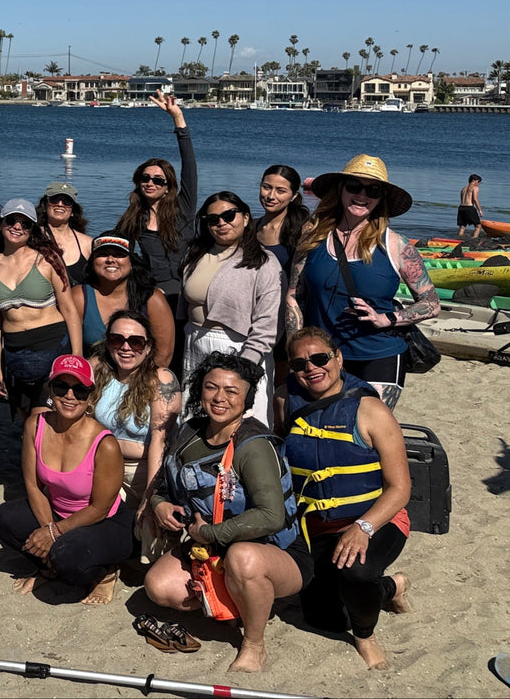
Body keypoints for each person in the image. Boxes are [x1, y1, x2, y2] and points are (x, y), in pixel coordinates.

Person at [145, 353, 309, 674]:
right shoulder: (190, 431)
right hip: (212, 547)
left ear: (247, 398)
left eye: (232, 391)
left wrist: (208, 534)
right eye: (211, 387)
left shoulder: (254, 446)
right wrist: (159, 504)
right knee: (159, 585)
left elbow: (271, 517)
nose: (220, 398)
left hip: (275, 553)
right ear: (199, 390)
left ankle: (253, 643)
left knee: (243, 560)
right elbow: (166, 485)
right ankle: (239, 602)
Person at [277, 328, 413, 670]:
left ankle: (366, 637)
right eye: (299, 363)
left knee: (355, 573)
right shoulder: (284, 400)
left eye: (320, 358)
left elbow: (400, 487)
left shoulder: (370, 410)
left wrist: (363, 527)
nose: (311, 368)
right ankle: (391, 587)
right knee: (324, 619)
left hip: (378, 518)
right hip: (317, 526)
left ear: (338, 358)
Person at [285, 155, 440, 409]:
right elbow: (294, 295)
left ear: (381, 199)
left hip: (378, 354)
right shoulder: (313, 235)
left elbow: (432, 303)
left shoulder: (396, 246)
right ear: (341, 189)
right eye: (354, 186)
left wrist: (387, 318)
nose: (362, 195)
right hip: (321, 357)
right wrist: (297, 348)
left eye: (373, 190)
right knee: (319, 429)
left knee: (362, 434)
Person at [0, 355, 130, 605]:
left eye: (79, 389)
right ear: (50, 390)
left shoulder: (105, 444)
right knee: (5, 519)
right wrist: (49, 532)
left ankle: (105, 573)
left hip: (102, 522)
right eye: (61, 387)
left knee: (68, 556)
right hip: (56, 514)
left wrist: (54, 534)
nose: (69, 395)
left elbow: (100, 508)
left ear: (90, 396)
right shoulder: (35, 424)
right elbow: (33, 485)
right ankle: (49, 566)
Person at [179, 192, 283, 426]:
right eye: (213, 219)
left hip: (240, 348)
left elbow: (268, 323)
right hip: (195, 343)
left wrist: (245, 365)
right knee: (194, 417)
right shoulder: (194, 254)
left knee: (242, 420)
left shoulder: (264, 262)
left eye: (228, 216)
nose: (221, 223)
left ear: (245, 218)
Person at [0, 198, 80, 419]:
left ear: (32, 230)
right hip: (15, 354)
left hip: (52, 346)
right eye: (12, 220)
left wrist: (77, 356)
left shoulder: (48, 259)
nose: (18, 227)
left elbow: (69, 309)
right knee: (25, 422)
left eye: (25, 224)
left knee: (44, 420)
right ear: (0, 224)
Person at [114, 91, 198, 327]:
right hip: (152, 295)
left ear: (168, 186)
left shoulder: (184, 208)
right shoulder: (133, 218)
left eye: (159, 180)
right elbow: (112, 245)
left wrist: (178, 120)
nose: (151, 183)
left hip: (187, 293)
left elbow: (189, 166)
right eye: (146, 178)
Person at [89, 313, 180, 524]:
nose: (126, 348)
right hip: (104, 466)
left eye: (136, 342)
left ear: (148, 348)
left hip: (145, 471)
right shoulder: (97, 367)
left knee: (149, 529)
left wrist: (150, 497)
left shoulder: (161, 379)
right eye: (117, 339)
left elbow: (160, 440)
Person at [75, 234, 176, 368]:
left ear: (131, 262)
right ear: (93, 262)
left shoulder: (152, 298)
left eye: (119, 254)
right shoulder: (79, 296)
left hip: (141, 380)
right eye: (103, 254)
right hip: (94, 378)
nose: (110, 259)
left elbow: (163, 355)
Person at [258, 165, 311, 274]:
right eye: (266, 187)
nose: (271, 196)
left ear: (293, 196)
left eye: (280, 191)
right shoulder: (249, 227)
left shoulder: (303, 230)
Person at [39, 182, 93, 286]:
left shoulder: (87, 243)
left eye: (66, 201)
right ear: (45, 206)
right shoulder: (33, 237)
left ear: (73, 210)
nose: (60, 204)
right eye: (54, 199)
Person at [459, 174, 484, 238]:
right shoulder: (475, 187)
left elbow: (462, 199)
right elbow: (475, 199)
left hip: (461, 207)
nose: (478, 184)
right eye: (478, 182)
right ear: (473, 180)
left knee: (462, 226)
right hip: (469, 207)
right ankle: (474, 241)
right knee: (478, 226)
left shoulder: (463, 189)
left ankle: (459, 240)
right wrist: (480, 210)